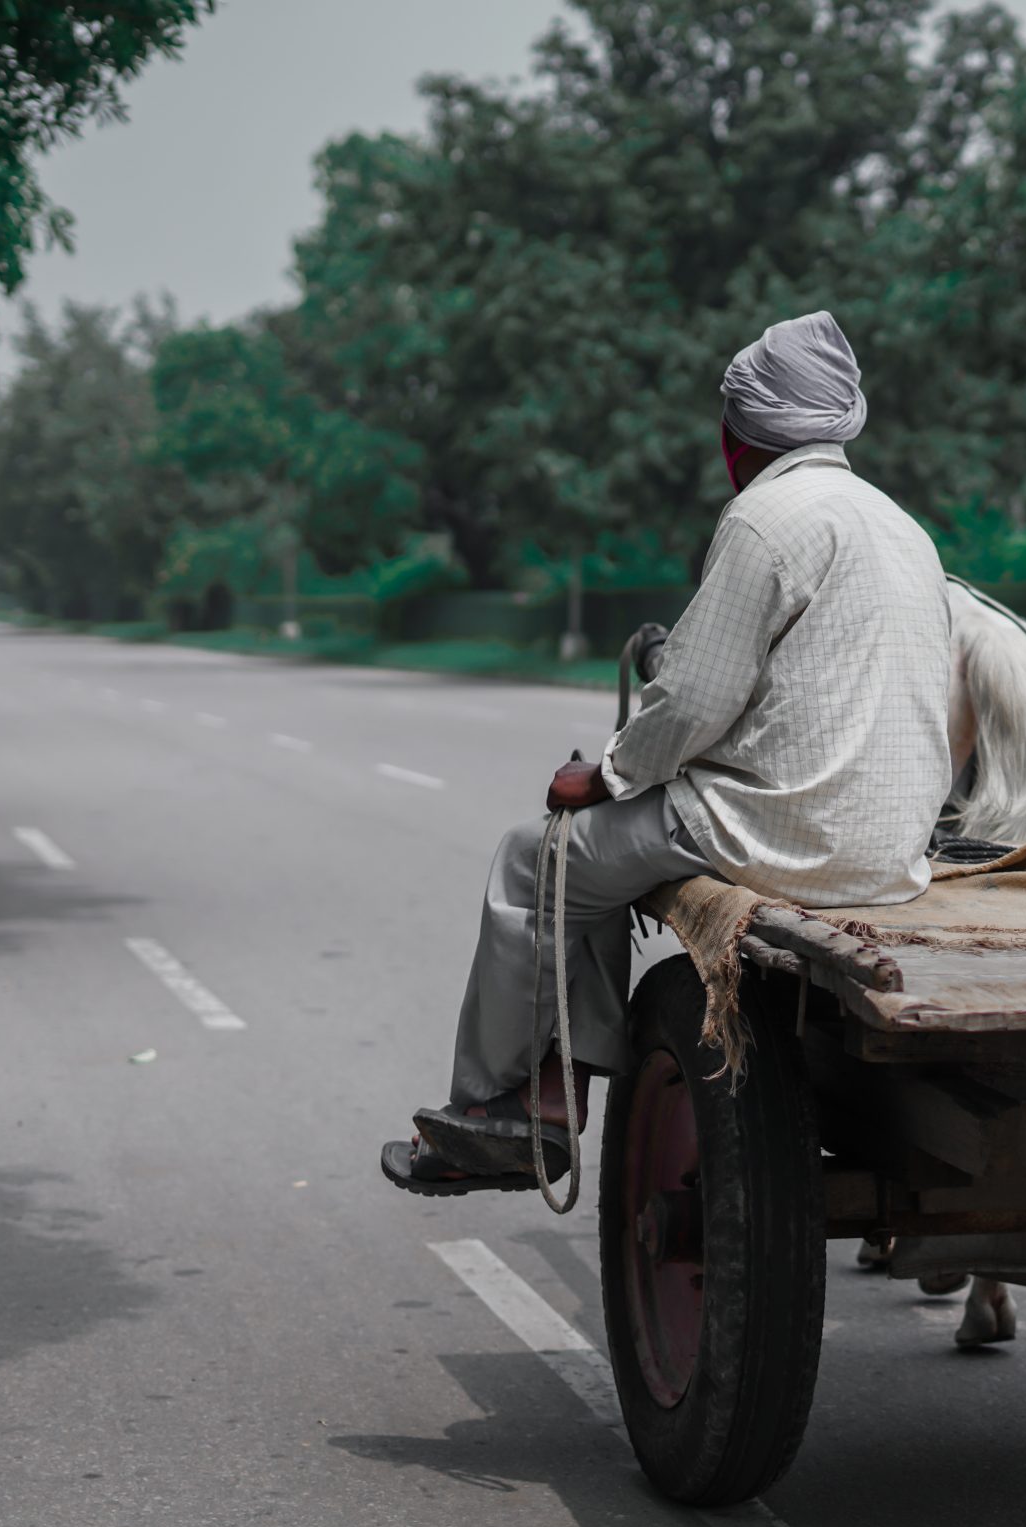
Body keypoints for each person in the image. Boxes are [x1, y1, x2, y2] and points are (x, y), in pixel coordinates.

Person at [383, 311, 953, 1194]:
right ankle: (553, 1086)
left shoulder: (767, 518)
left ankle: (495, 1106)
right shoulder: (903, 528)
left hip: (777, 831)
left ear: (738, 435)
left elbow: (691, 696)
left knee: (538, 862)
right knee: (598, 850)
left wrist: (607, 772)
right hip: (894, 852)